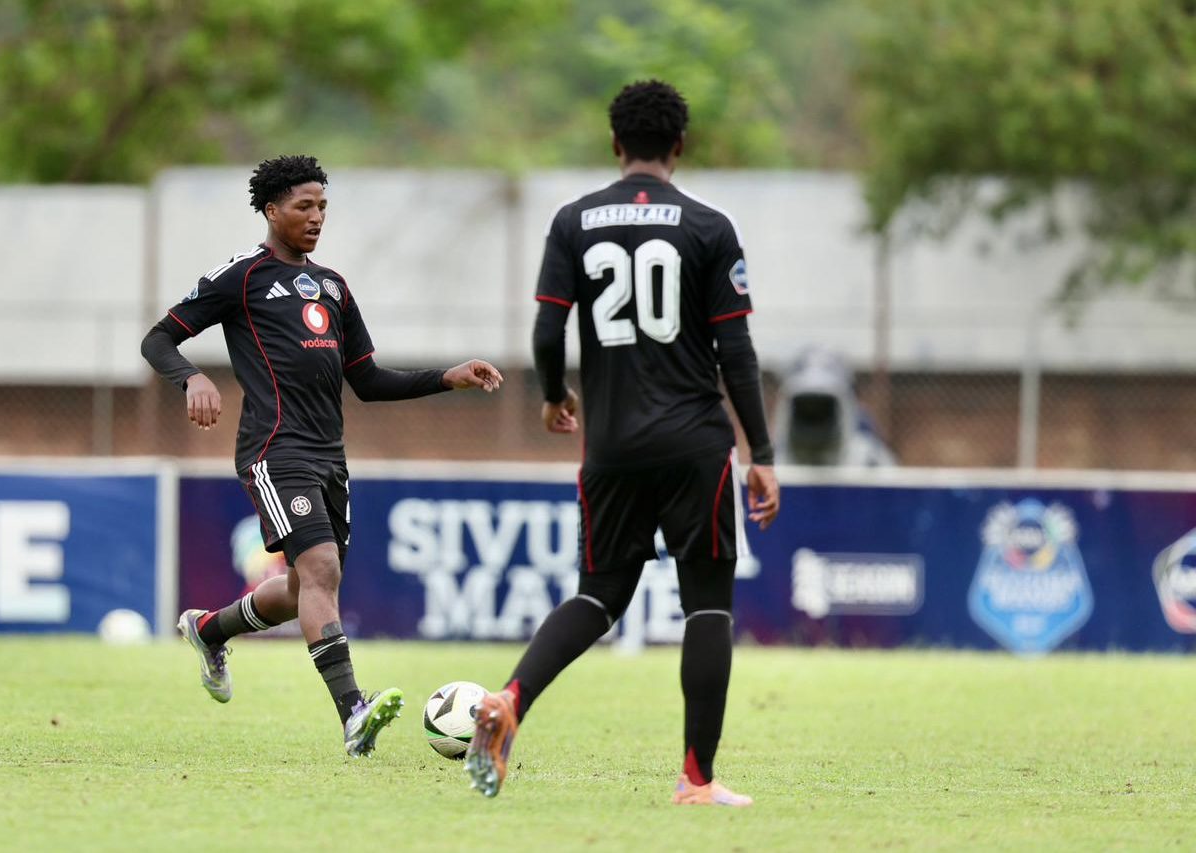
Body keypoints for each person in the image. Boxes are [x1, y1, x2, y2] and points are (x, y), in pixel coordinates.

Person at [464, 81, 780, 805]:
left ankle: (511, 698)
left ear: (615, 143)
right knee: (707, 606)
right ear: (679, 145)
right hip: (696, 444)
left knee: (599, 593)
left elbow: (547, 330)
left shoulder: (572, 221)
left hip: (609, 446)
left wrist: (553, 395)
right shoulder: (709, 226)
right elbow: (736, 352)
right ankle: (696, 780)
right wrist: (762, 454)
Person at [141, 154, 503, 758]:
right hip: (273, 448)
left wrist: (448, 376)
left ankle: (208, 629)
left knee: (300, 587)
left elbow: (369, 381)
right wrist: (192, 378)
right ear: (271, 210)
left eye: (323, 207)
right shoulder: (242, 277)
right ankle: (353, 713)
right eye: (303, 206)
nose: (316, 217)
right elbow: (159, 338)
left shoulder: (332, 286)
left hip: (329, 457)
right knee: (321, 571)